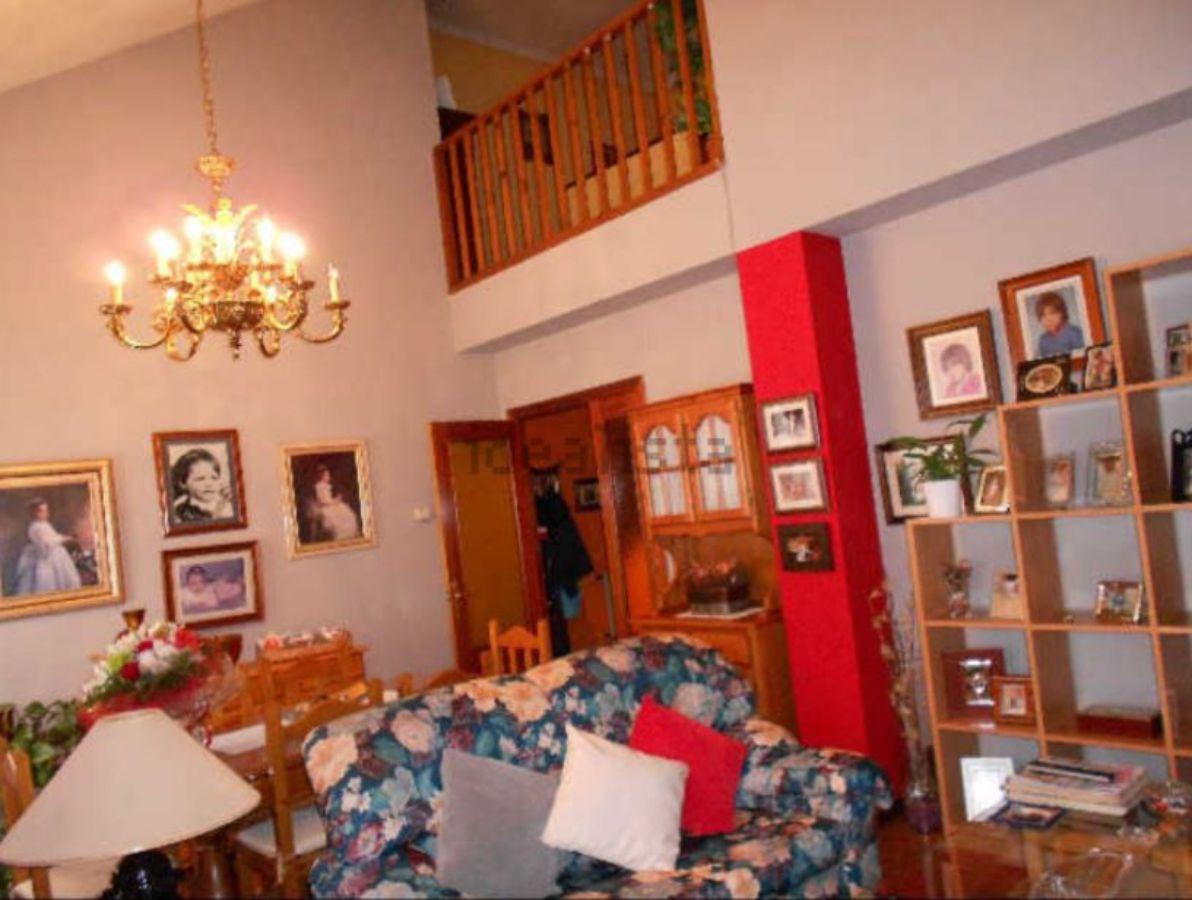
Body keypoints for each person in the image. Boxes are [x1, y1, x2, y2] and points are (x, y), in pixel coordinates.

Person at [14, 499, 82, 596]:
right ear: (35, 513)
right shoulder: (35, 527)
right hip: (47, 558)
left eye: (46, 510)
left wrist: (65, 538)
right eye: (42, 511)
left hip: (56, 556)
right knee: (48, 582)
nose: (46, 513)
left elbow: (54, 536)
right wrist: (64, 539)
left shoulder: (45, 525)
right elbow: (46, 542)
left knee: (65, 578)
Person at [170, 448, 234, 522]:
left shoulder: (228, 503)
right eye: (200, 479)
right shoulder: (180, 512)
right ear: (183, 483)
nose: (209, 484)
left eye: (214, 478)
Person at [303, 464, 361, 542]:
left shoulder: (326, 485)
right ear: (322, 476)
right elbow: (323, 501)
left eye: (328, 475)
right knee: (339, 519)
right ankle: (341, 537)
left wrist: (335, 500)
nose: (328, 477)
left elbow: (328, 498)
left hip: (330, 505)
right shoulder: (319, 486)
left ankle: (349, 537)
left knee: (348, 514)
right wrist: (335, 501)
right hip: (325, 507)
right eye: (326, 475)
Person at [1034, 291, 1084, 357]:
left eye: (1053, 313)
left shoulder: (1075, 334)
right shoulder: (1043, 340)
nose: (1048, 319)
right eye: (1043, 315)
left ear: (1062, 313)